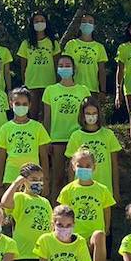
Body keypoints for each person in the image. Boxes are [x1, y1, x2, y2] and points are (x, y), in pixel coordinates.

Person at [57, 148, 114, 261]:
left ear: (94, 167)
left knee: (99, 235)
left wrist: (106, 228)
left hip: (94, 236)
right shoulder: (68, 190)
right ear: (73, 167)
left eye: (88, 166)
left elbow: (107, 210)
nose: (84, 169)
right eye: (80, 166)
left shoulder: (102, 189)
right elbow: (61, 213)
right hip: (75, 236)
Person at [40, 55, 89, 195]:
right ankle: (56, 211)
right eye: (61, 65)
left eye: (68, 65)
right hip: (57, 139)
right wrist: (47, 139)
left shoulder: (83, 90)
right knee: (58, 178)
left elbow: (86, 115)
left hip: (77, 138)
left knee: (76, 178)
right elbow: (47, 118)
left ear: (74, 69)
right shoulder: (50, 90)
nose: (64, 68)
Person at [0, 164, 52, 261]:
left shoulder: (45, 202)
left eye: (40, 179)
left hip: (40, 253)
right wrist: (15, 183)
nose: (38, 182)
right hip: (21, 252)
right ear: (24, 180)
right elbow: (5, 203)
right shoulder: (20, 197)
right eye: (34, 179)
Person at [0, 86, 50, 189]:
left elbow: (43, 157)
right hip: (11, 176)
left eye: (24, 104)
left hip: (34, 177)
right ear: (11, 104)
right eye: (17, 104)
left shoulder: (37, 127)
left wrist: (45, 180)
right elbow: (1, 158)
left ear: (30, 105)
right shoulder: (5, 128)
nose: (21, 107)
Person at [67, 100, 122, 194]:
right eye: (88, 113)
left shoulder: (108, 135)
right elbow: (71, 166)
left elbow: (114, 164)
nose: (91, 116)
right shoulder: (76, 136)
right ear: (82, 115)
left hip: (104, 186)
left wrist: (116, 190)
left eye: (94, 113)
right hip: (81, 186)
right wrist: (71, 189)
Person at [17, 12, 58, 116]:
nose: (39, 23)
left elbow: (57, 64)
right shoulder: (26, 43)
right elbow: (23, 67)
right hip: (32, 83)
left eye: (42, 21)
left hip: (49, 82)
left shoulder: (53, 43)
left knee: (47, 113)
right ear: (32, 24)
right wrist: (25, 82)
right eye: (36, 21)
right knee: (33, 112)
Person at [61, 14, 108, 98]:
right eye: (84, 22)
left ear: (94, 26)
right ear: (79, 25)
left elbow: (102, 70)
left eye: (90, 22)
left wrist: (103, 90)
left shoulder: (99, 47)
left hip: (92, 89)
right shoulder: (71, 44)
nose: (87, 24)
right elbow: (64, 65)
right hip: (73, 87)